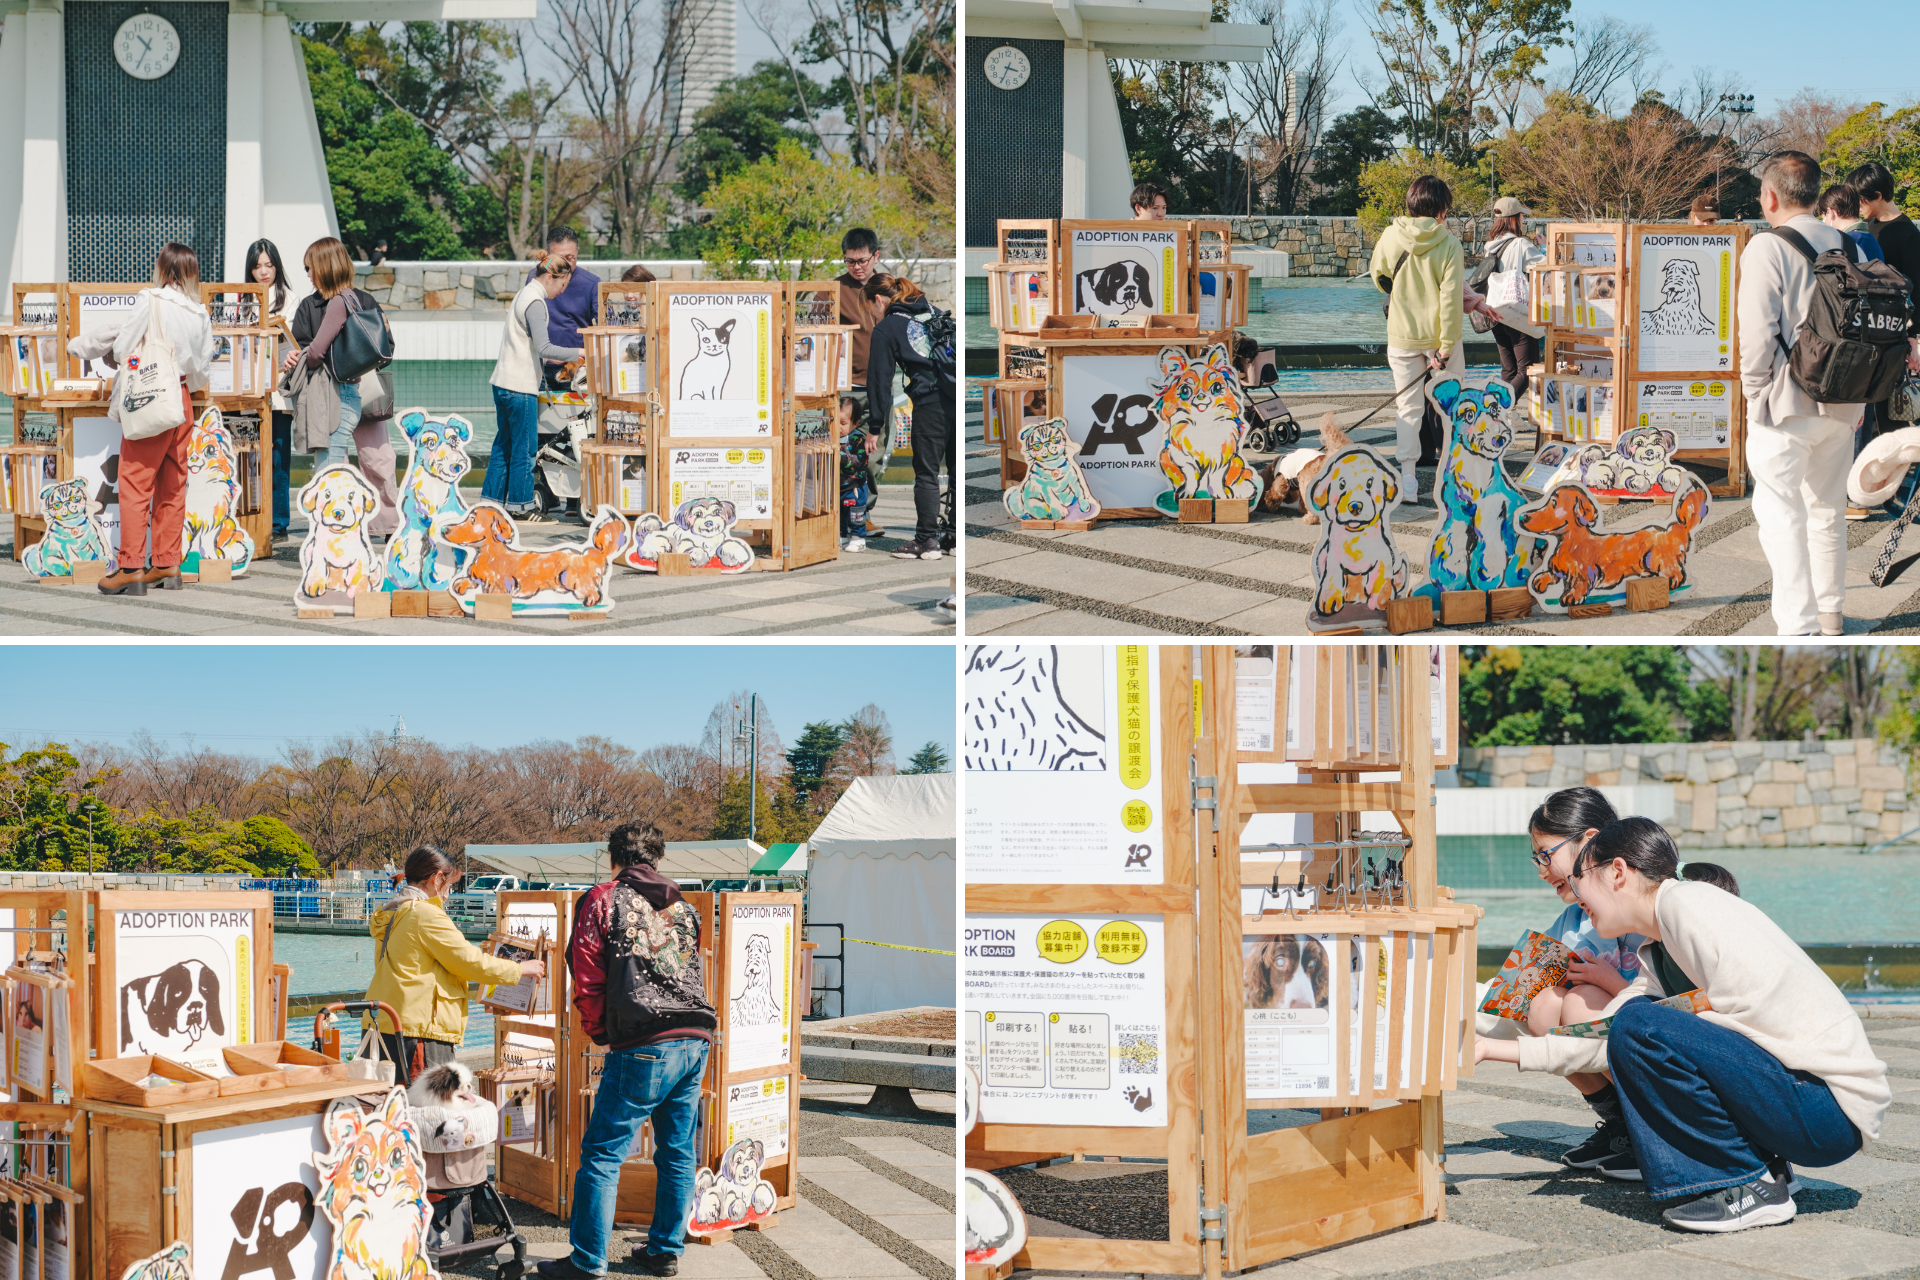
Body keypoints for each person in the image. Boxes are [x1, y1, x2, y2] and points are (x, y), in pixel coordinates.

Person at [1476, 817, 1889, 1233]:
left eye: (1576, 876)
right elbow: (1602, 1036)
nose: (1574, 891)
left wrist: (1664, 1019)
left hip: (1826, 1109)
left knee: (1641, 1024)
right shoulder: (1654, 950)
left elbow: (1699, 1026)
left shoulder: (1688, 905)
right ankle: (1762, 1168)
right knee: (1633, 1025)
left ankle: (1747, 1186)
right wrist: (1488, 1049)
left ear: (1617, 872)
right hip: (1800, 1103)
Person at [540, 823, 716, 1280]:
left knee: (602, 1154)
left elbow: (587, 973)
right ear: (657, 860)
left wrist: (600, 1033)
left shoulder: (602, 899)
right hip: (696, 1035)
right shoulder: (684, 907)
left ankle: (587, 1261)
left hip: (643, 1039)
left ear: (612, 857)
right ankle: (664, 1251)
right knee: (677, 1151)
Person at [1737, 152, 1867, 637]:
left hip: (1786, 400)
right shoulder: (1850, 246)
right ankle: (1830, 612)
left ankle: (1798, 624)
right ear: (1815, 195)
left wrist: (1755, 393)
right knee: (1828, 512)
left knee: (1780, 512)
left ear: (1771, 197)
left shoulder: (1767, 247)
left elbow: (1756, 332)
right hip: (1845, 399)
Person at [92, 243, 215, 596]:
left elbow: (122, 349)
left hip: (151, 396)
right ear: (191, 272)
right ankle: (167, 563)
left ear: (162, 268)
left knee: (135, 481)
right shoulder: (199, 312)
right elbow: (202, 370)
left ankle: (131, 567)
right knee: (173, 484)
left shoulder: (150, 299)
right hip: (182, 398)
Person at [365, 845, 542, 1080]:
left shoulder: (394, 912)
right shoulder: (425, 914)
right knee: (428, 1102)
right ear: (437, 878)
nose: (448, 895)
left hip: (385, 1022)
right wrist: (520, 969)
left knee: (392, 1101)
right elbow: (470, 963)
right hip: (418, 1031)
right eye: (449, 886)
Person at [288, 238, 401, 538]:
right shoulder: (309, 306)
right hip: (332, 394)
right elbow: (300, 347)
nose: (308, 274)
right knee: (343, 461)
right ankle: (350, 525)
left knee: (378, 460)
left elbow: (387, 347)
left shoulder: (363, 301)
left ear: (325, 267)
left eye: (310, 267)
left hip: (365, 391)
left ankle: (388, 525)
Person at [1370, 175, 1466, 496]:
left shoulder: (1390, 235)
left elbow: (1379, 277)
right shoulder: (1450, 244)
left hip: (1401, 335)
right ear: (1441, 208)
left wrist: (1402, 292)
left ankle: (1408, 480)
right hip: (1439, 340)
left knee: (1408, 409)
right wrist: (1447, 346)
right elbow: (1451, 301)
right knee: (1450, 408)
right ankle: (1451, 477)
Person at [490, 252, 585, 518]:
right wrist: (580, 352)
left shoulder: (523, 294)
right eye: (562, 284)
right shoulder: (535, 301)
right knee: (525, 449)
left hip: (502, 382)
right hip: (519, 385)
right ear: (551, 277)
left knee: (503, 447)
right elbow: (544, 348)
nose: (562, 291)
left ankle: (491, 505)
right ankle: (522, 507)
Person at [865, 273, 953, 560]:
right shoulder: (934, 312)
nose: (873, 315)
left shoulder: (887, 327)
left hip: (930, 401)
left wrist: (874, 426)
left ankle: (927, 541)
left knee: (927, 472)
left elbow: (880, 382)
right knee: (954, 469)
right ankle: (952, 537)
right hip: (955, 394)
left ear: (878, 300)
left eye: (871, 309)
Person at [1849, 162, 1920, 459]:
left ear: (1878, 195)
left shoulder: (1907, 234)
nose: (1857, 206)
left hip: (1896, 337)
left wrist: (1914, 339)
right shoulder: (1867, 228)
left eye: (1861, 200)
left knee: (1891, 417)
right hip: (1871, 334)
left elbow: (1918, 290)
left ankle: (1895, 477)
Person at [838, 229, 890, 534]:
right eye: (850, 261)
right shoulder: (832, 290)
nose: (856, 267)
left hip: (880, 386)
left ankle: (862, 512)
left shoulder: (889, 287)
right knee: (841, 455)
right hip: (845, 388)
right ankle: (836, 514)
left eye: (862, 260)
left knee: (873, 454)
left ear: (876, 256)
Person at [244, 239, 297, 539]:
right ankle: (251, 519)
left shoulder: (290, 299)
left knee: (278, 457)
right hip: (249, 392)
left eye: (269, 265)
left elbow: (295, 345)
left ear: (277, 266)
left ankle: (278, 523)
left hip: (278, 391)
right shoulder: (242, 300)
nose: (263, 271)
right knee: (250, 457)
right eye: (257, 266)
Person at [1479, 197, 1545, 408]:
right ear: (1514, 218)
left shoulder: (1490, 246)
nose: (1524, 219)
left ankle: (1508, 416)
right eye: (1522, 215)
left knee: (1509, 370)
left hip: (1495, 312)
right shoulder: (1520, 244)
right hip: (1517, 312)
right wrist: (1544, 247)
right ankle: (1497, 411)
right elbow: (1546, 268)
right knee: (1527, 370)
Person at [526, 229, 601, 375]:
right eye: (559, 258)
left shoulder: (591, 283)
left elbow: (604, 325)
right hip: (539, 365)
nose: (565, 265)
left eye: (570, 258)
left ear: (578, 252)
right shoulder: (535, 278)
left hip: (575, 367)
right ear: (547, 253)